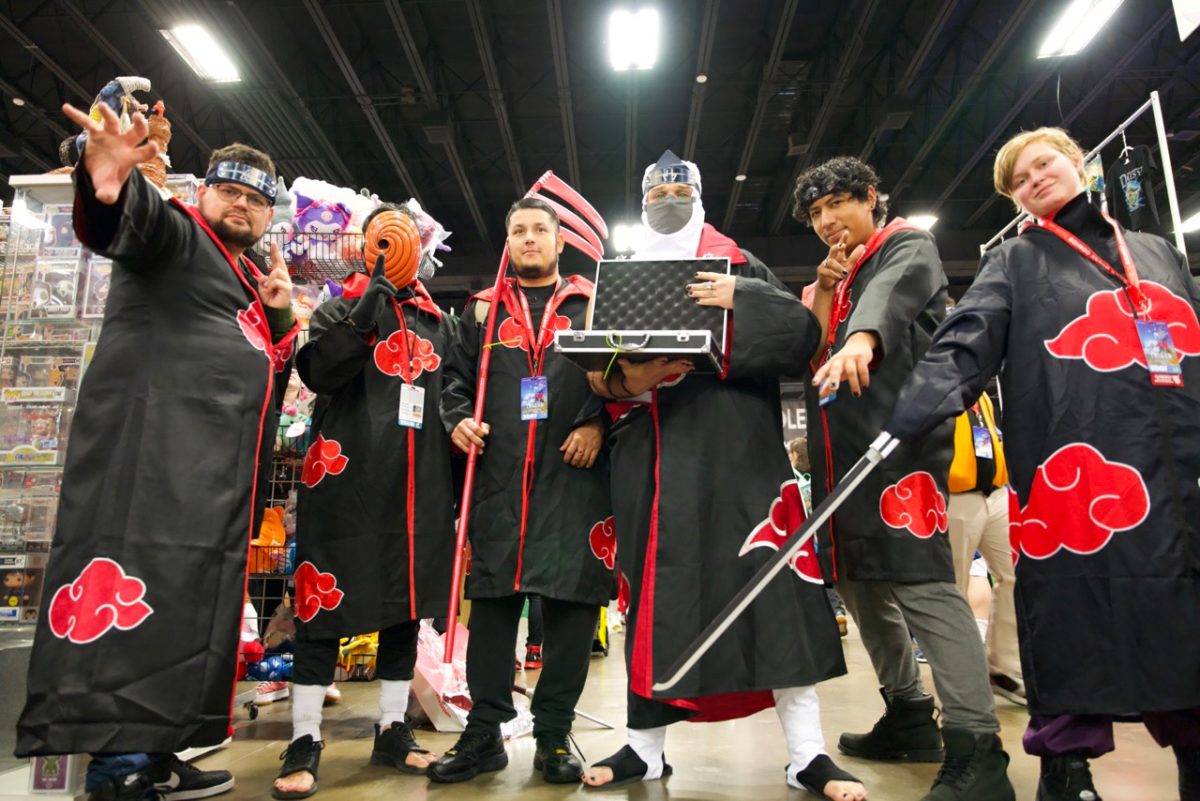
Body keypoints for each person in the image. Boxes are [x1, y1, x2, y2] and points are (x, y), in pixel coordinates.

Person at [884, 126, 1200, 801]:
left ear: (1077, 163)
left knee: (1183, 625)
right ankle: (1068, 773)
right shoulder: (1017, 261)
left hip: (1173, 475)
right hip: (1072, 480)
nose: (1034, 178)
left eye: (1044, 163)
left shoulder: (1156, 255)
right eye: (1019, 180)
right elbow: (962, 345)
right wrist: (914, 409)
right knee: (1069, 621)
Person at [16, 102, 297, 801]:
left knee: (182, 607)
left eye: (258, 200)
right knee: (135, 603)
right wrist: (109, 178)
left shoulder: (240, 273)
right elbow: (124, 220)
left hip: (206, 482)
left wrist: (283, 314)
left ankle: (159, 748)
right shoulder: (175, 232)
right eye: (231, 190)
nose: (243, 205)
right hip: (146, 466)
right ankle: (117, 767)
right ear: (203, 193)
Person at [580, 150, 864, 800]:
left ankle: (807, 753)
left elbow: (798, 337)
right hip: (652, 453)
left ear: (702, 194)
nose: (669, 193)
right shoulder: (617, 277)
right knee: (651, 599)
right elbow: (597, 369)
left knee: (775, 593)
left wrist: (743, 296)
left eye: (681, 184)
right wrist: (626, 376)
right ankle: (644, 748)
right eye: (657, 187)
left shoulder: (741, 262)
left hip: (741, 456)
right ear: (642, 198)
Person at [800, 156, 1015, 801]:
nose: (827, 220)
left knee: (924, 587)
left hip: (901, 457)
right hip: (843, 462)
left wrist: (860, 339)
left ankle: (979, 746)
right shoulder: (842, 273)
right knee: (861, 585)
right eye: (815, 213)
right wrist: (822, 290)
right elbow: (807, 348)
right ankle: (908, 713)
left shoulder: (905, 245)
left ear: (871, 199)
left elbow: (883, 310)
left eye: (838, 203)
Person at [270, 203, 457, 799]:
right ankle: (304, 737)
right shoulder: (335, 309)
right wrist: (367, 303)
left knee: (405, 610)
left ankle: (392, 729)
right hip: (343, 486)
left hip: (417, 488)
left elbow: (453, 394)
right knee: (322, 611)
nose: (392, 250)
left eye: (404, 239)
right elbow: (321, 373)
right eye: (382, 238)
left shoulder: (436, 322)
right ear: (365, 244)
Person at [430, 197, 614, 785]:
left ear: (561, 242)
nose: (530, 239)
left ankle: (555, 734)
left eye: (540, 230)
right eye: (519, 231)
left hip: (574, 474)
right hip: (500, 474)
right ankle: (484, 732)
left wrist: (596, 422)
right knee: (492, 605)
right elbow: (451, 380)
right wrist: (456, 418)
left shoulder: (592, 303)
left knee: (570, 607)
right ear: (507, 242)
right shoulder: (480, 312)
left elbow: (625, 375)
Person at [945, 391, 1024, 705]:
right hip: (955, 492)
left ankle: (1005, 668)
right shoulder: (934, 377)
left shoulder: (981, 396)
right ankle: (961, 683)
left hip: (994, 490)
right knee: (954, 588)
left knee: (1018, 573)